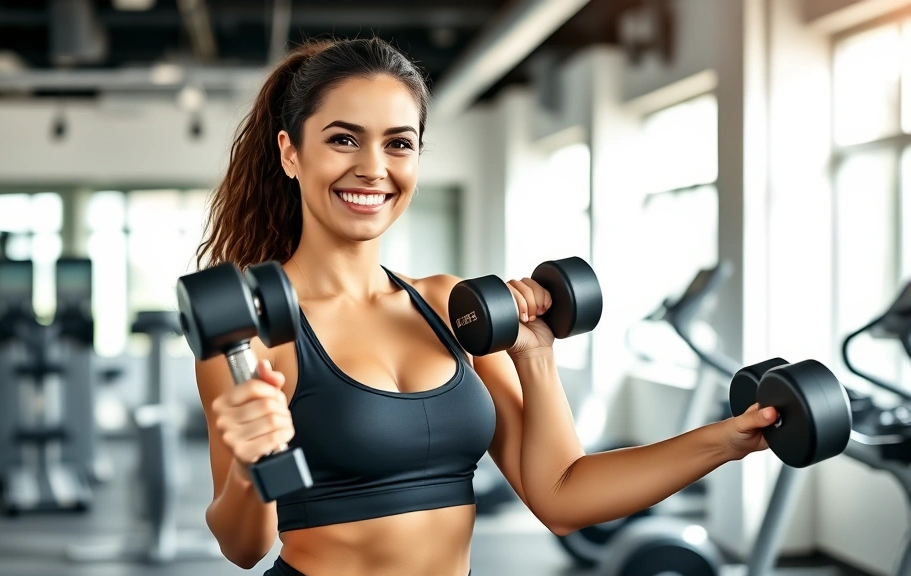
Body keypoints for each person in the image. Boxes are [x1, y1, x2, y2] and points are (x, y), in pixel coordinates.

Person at [193, 37, 778, 576]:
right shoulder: (253, 335)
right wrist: (250, 465)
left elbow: (565, 496)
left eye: (398, 143)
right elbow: (242, 548)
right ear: (291, 153)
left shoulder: (450, 305)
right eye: (344, 138)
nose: (373, 167)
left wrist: (728, 439)